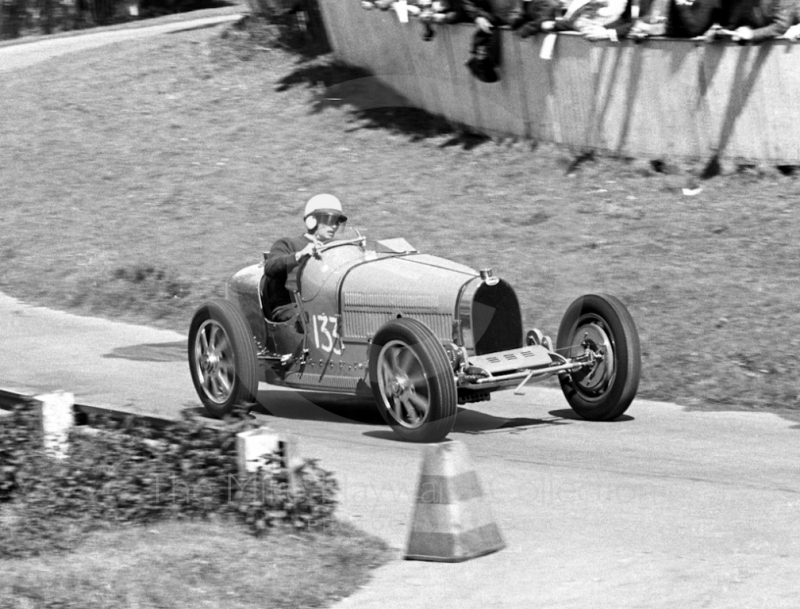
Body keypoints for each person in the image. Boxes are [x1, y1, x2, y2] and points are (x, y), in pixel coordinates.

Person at [263, 194, 347, 322]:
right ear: (312, 220)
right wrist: (300, 255)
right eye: (330, 220)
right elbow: (270, 267)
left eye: (337, 222)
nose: (335, 226)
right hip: (291, 307)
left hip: (325, 305)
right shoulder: (288, 243)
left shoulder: (336, 248)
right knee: (315, 317)